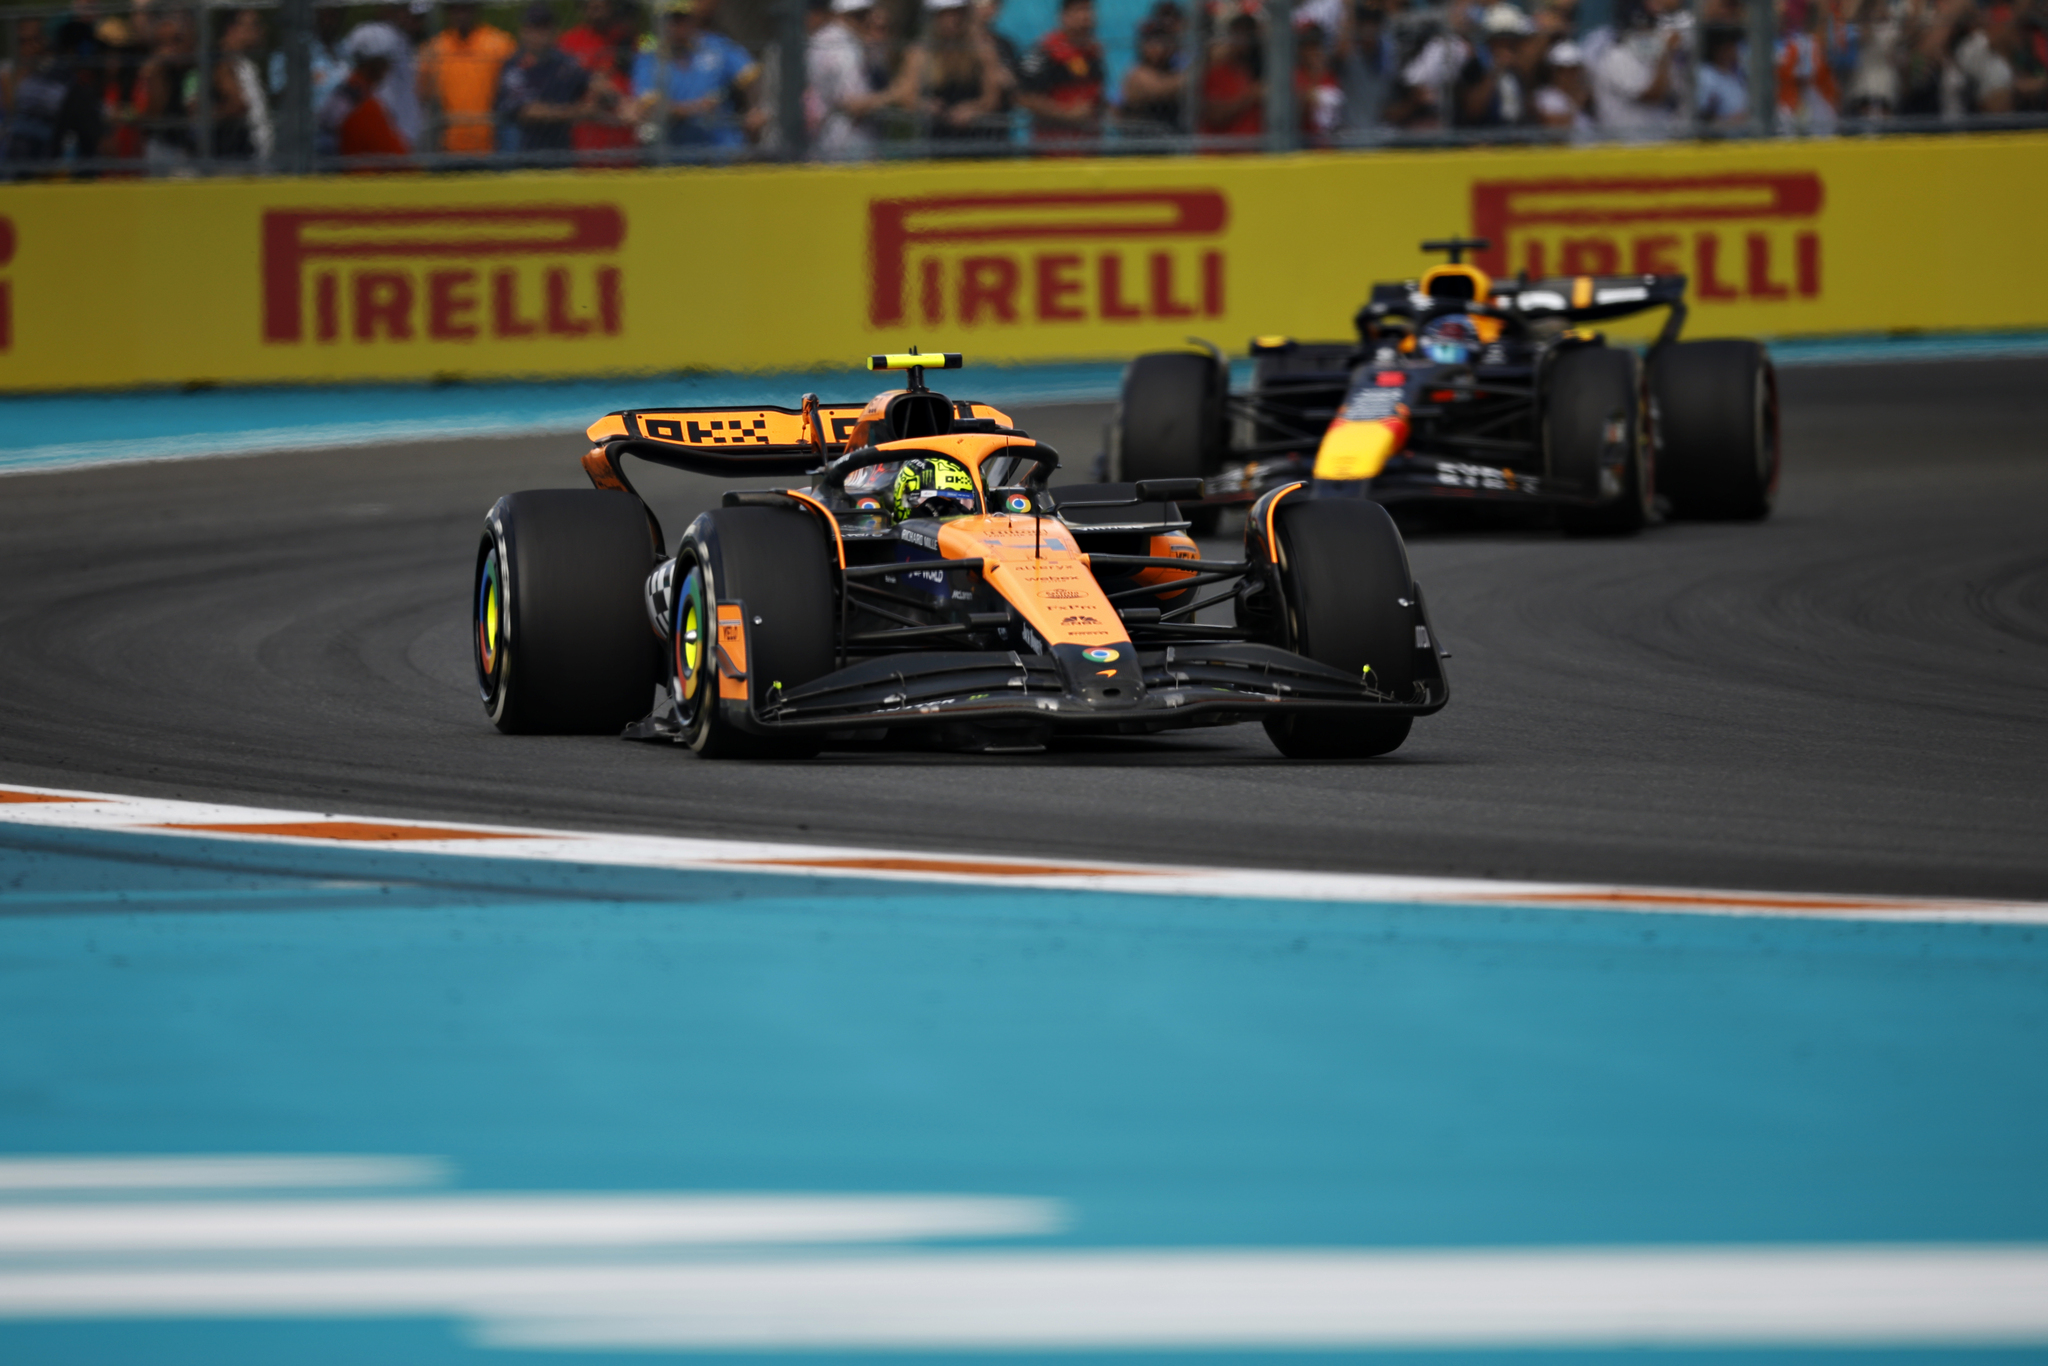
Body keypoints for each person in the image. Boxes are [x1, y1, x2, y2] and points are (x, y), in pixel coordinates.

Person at [630, 0, 759, 150]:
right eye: (672, 20)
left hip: (722, 149)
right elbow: (651, 107)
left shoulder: (717, 46)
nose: (678, 26)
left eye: (683, 18)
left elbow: (751, 74)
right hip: (675, 153)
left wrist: (755, 109)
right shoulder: (648, 60)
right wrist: (695, 108)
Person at [900, 0, 1008, 140]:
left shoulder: (983, 50)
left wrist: (974, 109)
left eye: (957, 12)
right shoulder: (919, 53)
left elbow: (992, 97)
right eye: (944, 14)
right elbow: (906, 96)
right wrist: (925, 106)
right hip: (937, 140)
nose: (952, 19)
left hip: (980, 139)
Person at [420, 0, 516, 155]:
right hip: (448, 145)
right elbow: (424, 97)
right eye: (455, 9)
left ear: (475, 10)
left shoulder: (499, 44)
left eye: (465, 9)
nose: (461, 15)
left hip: (492, 144)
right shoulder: (434, 48)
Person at [4, 18, 104, 165]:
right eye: (23, 41)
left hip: (48, 152)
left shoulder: (60, 74)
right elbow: (14, 109)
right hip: (22, 150)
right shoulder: (10, 75)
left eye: (36, 40)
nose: (31, 46)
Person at [497, 3, 590, 155]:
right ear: (523, 31)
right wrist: (577, 112)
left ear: (554, 30)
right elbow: (527, 111)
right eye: (533, 27)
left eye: (544, 27)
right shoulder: (514, 66)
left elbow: (593, 83)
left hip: (562, 154)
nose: (539, 34)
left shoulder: (565, 63)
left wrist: (603, 97)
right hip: (523, 155)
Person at [1592, 0, 1690, 135]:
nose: (1653, 32)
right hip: (1625, 143)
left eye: (1652, 26)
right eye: (1646, 26)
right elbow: (1653, 95)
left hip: (1658, 141)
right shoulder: (1617, 57)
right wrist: (1666, 53)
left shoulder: (1653, 57)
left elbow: (1680, 91)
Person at [557, 0, 639, 157]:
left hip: (624, 130)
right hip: (587, 131)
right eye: (592, 7)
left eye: (601, 7)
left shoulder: (625, 39)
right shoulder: (569, 41)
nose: (597, 12)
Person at [1018, 0, 1106, 138]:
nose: (1086, 16)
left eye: (1089, 10)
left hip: (1089, 143)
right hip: (1054, 143)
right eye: (1079, 10)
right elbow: (1025, 97)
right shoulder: (1045, 50)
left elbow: (1097, 95)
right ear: (1064, 16)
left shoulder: (1094, 52)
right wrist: (1066, 114)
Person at [344, 5, 425, 149]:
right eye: (412, 16)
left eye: (419, 18)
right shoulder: (377, 35)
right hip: (382, 133)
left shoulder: (405, 42)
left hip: (403, 136)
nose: (417, 23)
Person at [320, 47, 409, 159]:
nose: (385, 72)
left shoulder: (362, 91)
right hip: (349, 160)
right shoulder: (355, 94)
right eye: (381, 65)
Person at [1457, 2, 1537, 127]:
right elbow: (1473, 110)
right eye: (1504, 41)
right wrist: (1496, 70)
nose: (1509, 47)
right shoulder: (1475, 66)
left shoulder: (1517, 71)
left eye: (1513, 42)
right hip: (1486, 134)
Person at [136, 6, 197, 167]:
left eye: (176, 40)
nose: (168, 49)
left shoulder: (199, 70)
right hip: (164, 147)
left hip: (193, 148)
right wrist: (157, 73)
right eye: (161, 43)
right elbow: (153, 115)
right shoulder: (156, 72)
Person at [210, 7, 272, 160]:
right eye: (253, 25)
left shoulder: (243, 64)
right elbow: (238, 104)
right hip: (233, 159)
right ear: (232, 29)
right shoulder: (221, 63)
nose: (260, 31)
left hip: (255, 160)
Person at [1336, 2, 1396, 136]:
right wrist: (1349, 9)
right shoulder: (1350, 57)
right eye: (1365, 25)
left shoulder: (1387, 60)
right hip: (1349, 135)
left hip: (1377, 135)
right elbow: (1341, 50)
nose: (1369, 30)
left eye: (1374, 25)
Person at [1201, 10, 1265, 136]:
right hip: (1223, 146)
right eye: (1239, 33)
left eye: (1249, 34)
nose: (1244, 40)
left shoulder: (1255, 70)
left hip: (1253, 145)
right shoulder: (1217, 70)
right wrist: (1251, 96)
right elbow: (1216, 116)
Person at [1119, 14, 1186, 131]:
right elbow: (1160, 89)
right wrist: (1195, 74)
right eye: (1150, 42)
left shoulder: (1173, 71)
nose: (1156, 48)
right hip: (1142, 138)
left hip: (1170, 136)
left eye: (1162, 42)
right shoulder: (1136, 73)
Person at [1532, 36, 1597, 131]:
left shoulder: (1585, 95)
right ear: (1554, 71)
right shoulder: (1545, 97)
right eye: (1563, 70)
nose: (1569, 75)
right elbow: (1555, 128)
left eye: (1573, 70)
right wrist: (1576, 105)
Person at [1296, 21, 1346, 140]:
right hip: (1304, 145)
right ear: (1301, 49)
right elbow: (1294, 117)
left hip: (1329, 145)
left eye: (1317, 46)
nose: (1314, 51)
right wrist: (1308, 95)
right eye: (1309, 46)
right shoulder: (1296, 76)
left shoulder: (1331, 76)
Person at [1695, 21, 1749, 121]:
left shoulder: (1737, 72)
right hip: (1722, 130)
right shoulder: (1706, 76)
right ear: (1718, 49)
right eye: (1730, 46)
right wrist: (1731, 121)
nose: (1735, 49)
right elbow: (1700, 119)